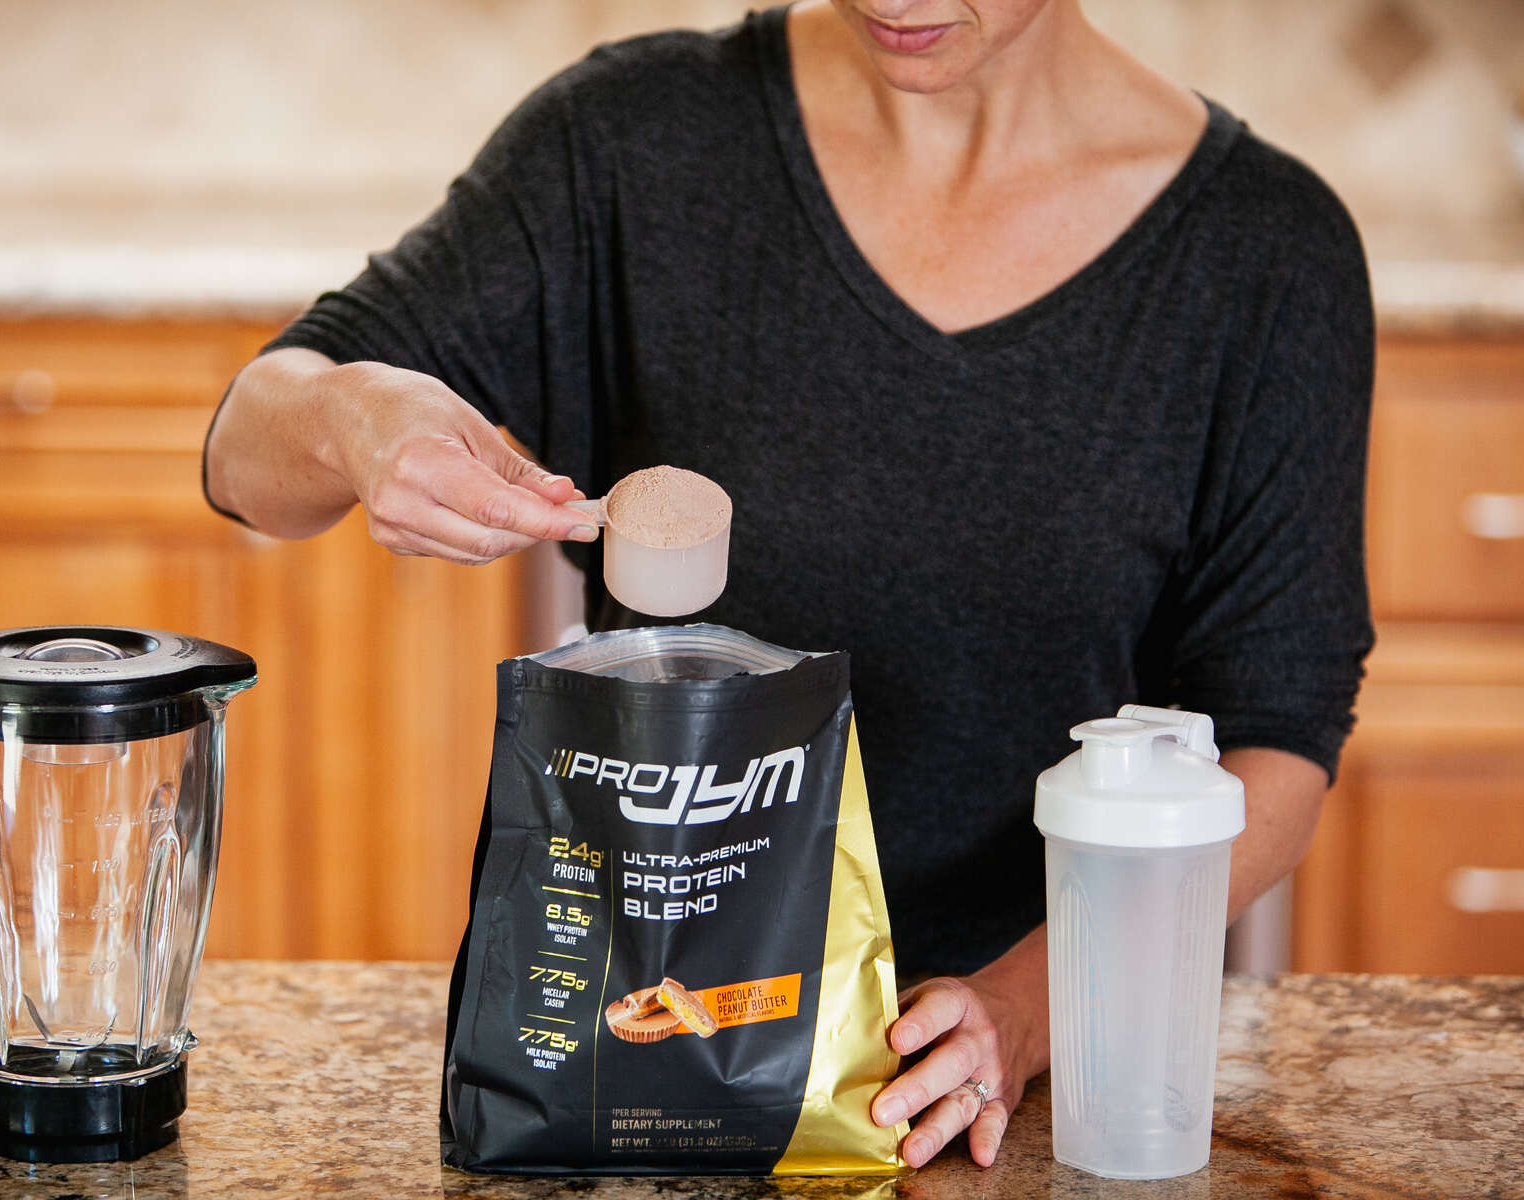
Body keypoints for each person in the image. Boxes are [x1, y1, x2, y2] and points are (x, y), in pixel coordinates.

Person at [203, 0, 1373, 1171]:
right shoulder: (630, 140)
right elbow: (249, 446)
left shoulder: (1264, 251)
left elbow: (1277, 740)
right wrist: (354, 423)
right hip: (660, 1066)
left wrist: (1019, 1012)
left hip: (1032, 1098)